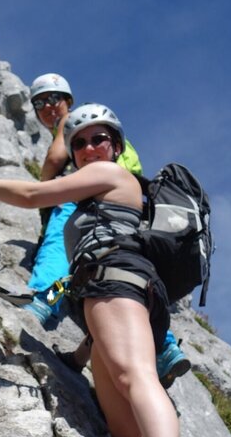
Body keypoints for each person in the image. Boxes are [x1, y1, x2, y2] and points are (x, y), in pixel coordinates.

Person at [0, 104, 185, 437]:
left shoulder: (108, 172)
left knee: (133, 374)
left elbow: (32, 195)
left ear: (116, 146)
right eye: (79, 144)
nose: (89, 148)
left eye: (99, 139)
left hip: (118, 280)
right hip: (114, 288)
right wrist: (79, 356)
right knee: (121, 426)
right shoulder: (97, 198)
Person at [15, 74, 190, 388]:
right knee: (122, 278)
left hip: (90, 195)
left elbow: (55, 158)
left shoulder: (75, 126)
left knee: (59, 246)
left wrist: (47, 189)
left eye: (53, 98)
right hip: (124, 211)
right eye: (39, 103)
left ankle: (43, 300)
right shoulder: (102, 134)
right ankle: (165, 346)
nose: (48, 107)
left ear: (68, 101)